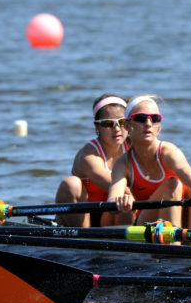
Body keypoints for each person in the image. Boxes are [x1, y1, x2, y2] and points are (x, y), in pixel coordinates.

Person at [108, 95, 191, 230]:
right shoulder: (123, 163)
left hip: (178, 214)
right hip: (145, 224)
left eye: (154, 119)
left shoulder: (169, 152)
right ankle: (173, 247)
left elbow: (187, 172)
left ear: (159, 125)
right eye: (141, 118)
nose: (148, 124)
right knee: (172, 184)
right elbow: (112, 198)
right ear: (127, 125)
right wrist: (120, 201)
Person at [54, 94, 132, 227]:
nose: (117, 129)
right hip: (84, 218)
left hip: (116, 214)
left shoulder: (134, 147)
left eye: (122, 122)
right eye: (108, 123)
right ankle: (81, 239)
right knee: (71, 183)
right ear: (97, 127)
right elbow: (113, 185)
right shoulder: (89, 154)